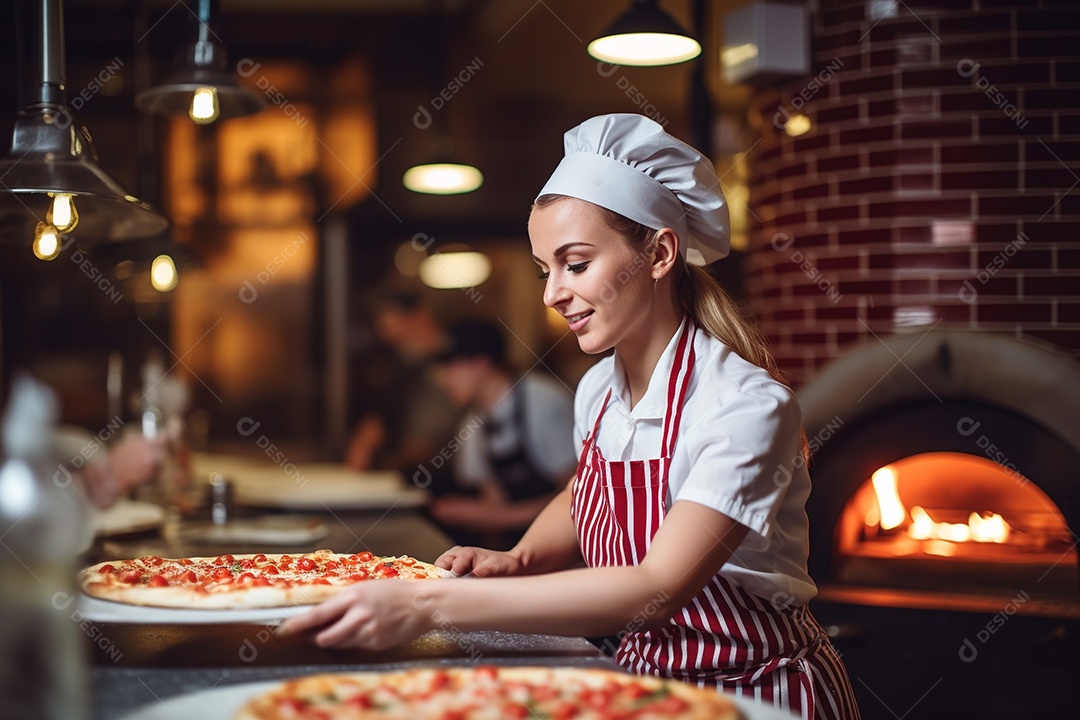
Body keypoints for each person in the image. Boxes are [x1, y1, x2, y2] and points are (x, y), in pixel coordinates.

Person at [280, 114, 860, 719]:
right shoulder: (597, 392)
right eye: (544, 270)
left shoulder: (744, 407)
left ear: (659, 253)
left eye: (575, 264)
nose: (552, 293)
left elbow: (656, 590)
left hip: (755, 692)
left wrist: (425, 607)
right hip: (640, 686)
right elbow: (585, 491)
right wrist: (522, 557)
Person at [427, 319, 576, 549]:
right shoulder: (472, 424)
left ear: (481, 364)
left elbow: (578, 497)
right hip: (516, 548)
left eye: (450, 368)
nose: (444, 380)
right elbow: (494, 502)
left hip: (568, 547)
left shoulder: (544, 401)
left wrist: (491, 517)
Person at [344, 291, 461, 493]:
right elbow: (383, 411)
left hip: (447, 479)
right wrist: (366, 440)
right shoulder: (405, 363)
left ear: (419, 318)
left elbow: (424, 443)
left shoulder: (454, 359)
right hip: (409, 476)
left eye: (389, 327)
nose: (386, 337)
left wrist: (393, 461)